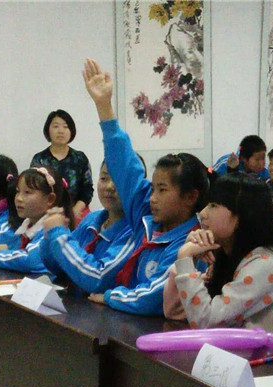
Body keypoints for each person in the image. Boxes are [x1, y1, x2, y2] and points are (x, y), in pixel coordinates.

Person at [83, 58, 209, 316]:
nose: (152, 198)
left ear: (190, 197)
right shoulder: (148, 217)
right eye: (153, 189)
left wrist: (110, 296)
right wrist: (104, 106)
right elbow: (126, 168)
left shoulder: (193, 242)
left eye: (162, 190)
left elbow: (153, 298)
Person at [163, 173, 273, 332]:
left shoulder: (266, 264)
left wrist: (184, 258)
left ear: (243, 214)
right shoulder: (227, 255)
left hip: (265, 349)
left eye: (213, 205)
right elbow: (175, 313)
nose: (203, 213)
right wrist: (189, 259)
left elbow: (205, 322)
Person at [40, 160, 138, 294]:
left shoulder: (135, 229)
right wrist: (49, 237)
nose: (109, 186)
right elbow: (60, 268)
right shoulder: (92, 219)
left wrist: (58, 235)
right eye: (104, 178)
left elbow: (98, 279)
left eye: (119, 180)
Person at [0, 166, 75, 274]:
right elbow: (20, 249)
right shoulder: (27, 225)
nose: (19, 198)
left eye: (27, 192)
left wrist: (1, 255)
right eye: (18, 191)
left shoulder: (53, 229)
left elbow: (31, 260)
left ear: (50, 199)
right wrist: (10, 248)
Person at [31, 109, 93, 222]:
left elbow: (87, 189)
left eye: (65, 127)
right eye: (56, 126)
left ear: (71, 131)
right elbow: (35, 190)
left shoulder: (80, 158)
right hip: (46, 213)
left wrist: (75, 210)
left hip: (76, 211)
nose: (60, 131)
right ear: (48, 130)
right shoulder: (39, 159)